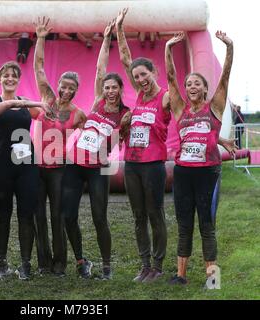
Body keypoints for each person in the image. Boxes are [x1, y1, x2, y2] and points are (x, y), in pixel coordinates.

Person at [61, 20, 128, 280]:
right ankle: (81, 261)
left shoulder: (125, 114)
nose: (110, 91)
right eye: (107, 87)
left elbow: (118, 143)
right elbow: (101, 68)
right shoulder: (98, 103)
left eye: (114, 88)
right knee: (68, 216)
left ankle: (107, 267)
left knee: (100, 218)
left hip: (98, 169)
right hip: (75, 165)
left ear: (121, 90)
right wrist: (106, 37)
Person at [165, 30, 233, 285]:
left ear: (205, 88)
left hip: (208, 173)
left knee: (206, 225)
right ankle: (180, 275)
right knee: (184, 225)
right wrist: (169, 48)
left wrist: (229, 47)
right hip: (183, 173)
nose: (192, 86)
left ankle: (212, 279)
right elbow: (171, 79)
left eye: (197, 83)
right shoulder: (180, 110)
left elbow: (225, 77)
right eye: (189, 84)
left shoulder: (214, 108)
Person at [116, 7, 170, 283]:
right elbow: (126, 58)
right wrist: (119, 29)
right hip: (132, 165)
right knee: (138, 216)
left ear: (153, 72)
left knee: (155, 213)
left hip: (153, 165)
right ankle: (145, 265)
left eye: (143, 74)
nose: (139, 79)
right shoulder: (138, 97)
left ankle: (158, 266)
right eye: (136, 77)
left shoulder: (165, 97)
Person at [33, 16, 87, 276]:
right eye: (63, 86)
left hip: (59, 170)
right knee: (38, 216)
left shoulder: (78, 114)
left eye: (71, 88)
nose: (66, 90)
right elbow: (39, 68)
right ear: (58, 86)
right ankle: (43, 263)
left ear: (76, 90)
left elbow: (94, 137)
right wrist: (41, 37)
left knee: (57, 215)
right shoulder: (47, 99)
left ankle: (60, 263)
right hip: (36, 168)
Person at [0, 61, 50, 280]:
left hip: (26, 164)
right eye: (6, 75)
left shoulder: (26, 103)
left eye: (14, 75)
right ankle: (2, 263)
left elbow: (46, 112)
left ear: (18, 79)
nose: (10, 78)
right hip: (1, 165)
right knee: (2, 215)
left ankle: (26, 264)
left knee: (26, 215)